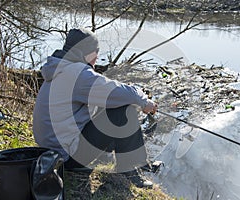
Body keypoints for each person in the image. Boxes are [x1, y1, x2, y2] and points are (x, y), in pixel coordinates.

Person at [32, 28, 158, 188]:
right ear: (85, 52)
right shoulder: (77, 74)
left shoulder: (59, 68)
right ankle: (130, 171)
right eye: (95, 51)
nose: (97, 56)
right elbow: (125, 94)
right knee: (123, 111)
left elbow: (105, 97)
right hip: (66, 158)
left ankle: (138, 162)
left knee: (109, 106)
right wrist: (145, 101)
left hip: (49, 151)